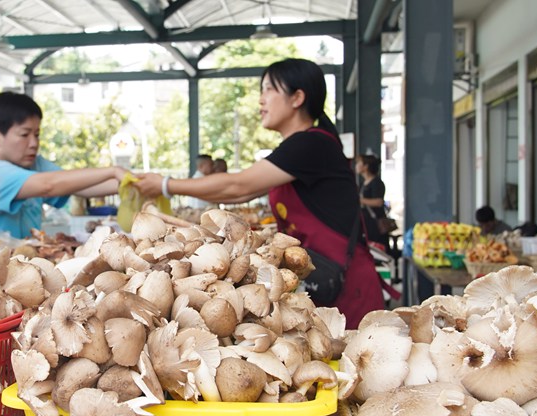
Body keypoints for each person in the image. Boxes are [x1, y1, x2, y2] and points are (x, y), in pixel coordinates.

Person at [135, 58, 383, 328]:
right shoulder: (301, 145)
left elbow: (238, 186)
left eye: (268, 90)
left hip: (347, 284)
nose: (260, 100)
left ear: (297, 97)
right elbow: (239, 191)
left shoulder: (310, 143)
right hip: (322, 275)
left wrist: (165, 185)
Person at [0, 92, 127, 238]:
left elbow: (80, 186)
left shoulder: (34, 164)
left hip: (20, 266)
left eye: (37, 134)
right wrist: (113, 171)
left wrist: (134, 182)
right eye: (24, 134)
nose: (33, 143)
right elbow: (49, 185)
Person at [355, 154, 390, 251]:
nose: (356, 165)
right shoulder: (363, 183)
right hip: (366, 223)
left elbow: (378, 202)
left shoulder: (376, 182)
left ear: (366, 166)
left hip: (375, 224)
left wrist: (359, 200)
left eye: (359, 163)